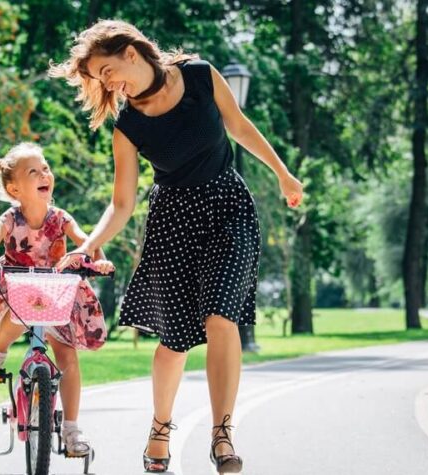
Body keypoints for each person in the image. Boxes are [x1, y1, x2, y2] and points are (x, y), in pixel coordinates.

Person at [50, 20, 303, 473]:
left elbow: (240, 127)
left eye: (107, 70)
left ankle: (222, 435)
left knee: (222, 318)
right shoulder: (127, 126)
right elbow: (122, 203)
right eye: (99, 79)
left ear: (131, 52)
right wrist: (89, 245)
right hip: (173, 223)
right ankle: (160, 428)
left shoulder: (202, 76)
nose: (107, 84)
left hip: (229, 208)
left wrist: (282, 173)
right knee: (176, 340)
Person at [0, 142, 114, 457]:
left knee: (68, 359)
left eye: (45, 167)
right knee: (17, 314)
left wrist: (97, 260)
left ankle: (72, 431)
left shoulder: (60, 218)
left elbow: (86, 242)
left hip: (58, 292)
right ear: (14, 188)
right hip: (19, 289)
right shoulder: (10, 218)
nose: (45, 173)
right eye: (34, 171)